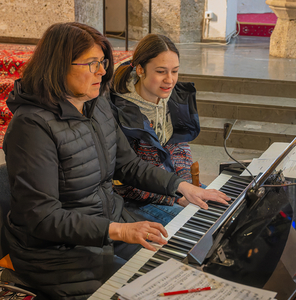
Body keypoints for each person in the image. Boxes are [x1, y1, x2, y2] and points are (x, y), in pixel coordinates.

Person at [3, 22, 230, 300]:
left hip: (109, 226)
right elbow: (42, 217)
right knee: (153, 292)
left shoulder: (96, 104)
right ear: (59, 65)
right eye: (92, 63)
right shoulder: (31, 127)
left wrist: (182, 187)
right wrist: (119, 229)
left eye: (103, 61)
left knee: (185, 273)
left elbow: (129, 165)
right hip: (57, 253)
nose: (102, 71)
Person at [110, 34, 204, 226]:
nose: (170, 80)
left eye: (175, 71)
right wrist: (176, 197)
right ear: (140, 70)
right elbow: (124, 178)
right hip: (136, 198)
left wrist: (186, 186)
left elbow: (178, 147)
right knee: (197, 225)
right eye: (161, 72)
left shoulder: (172, 97)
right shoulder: (118, 111)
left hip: (172, 186)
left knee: (225, 209)